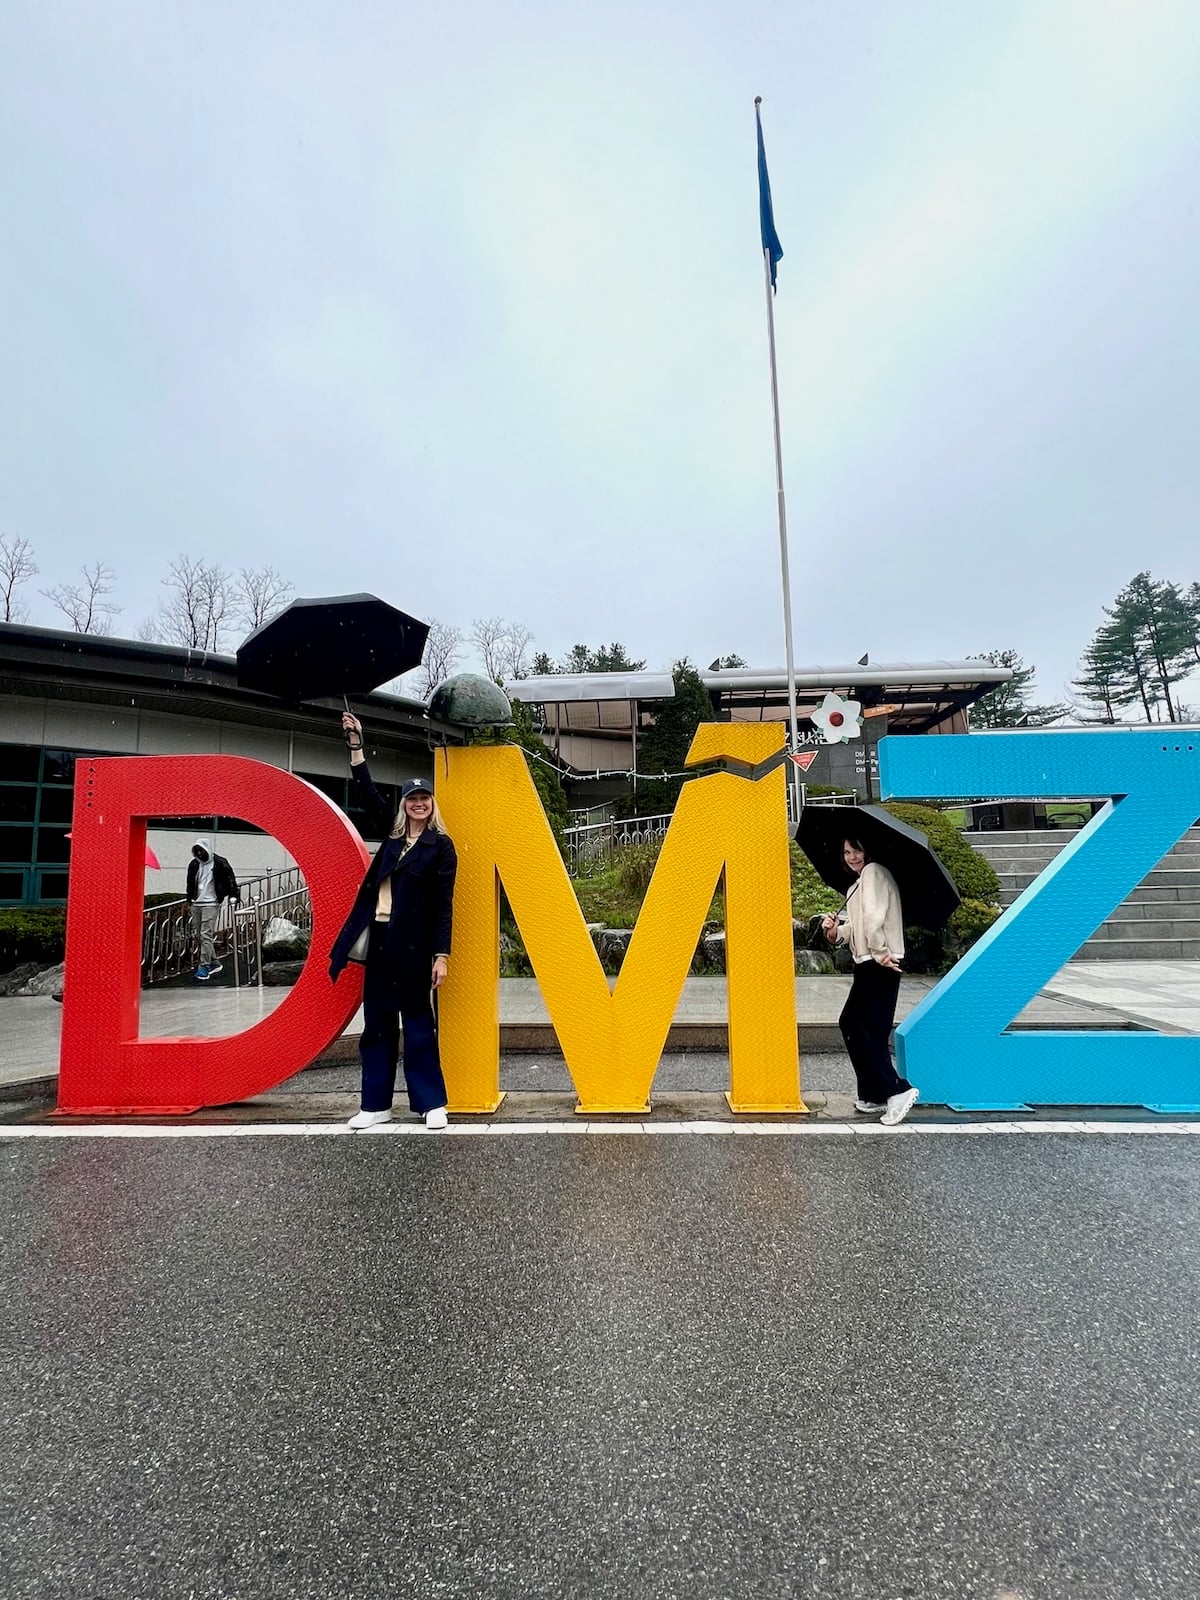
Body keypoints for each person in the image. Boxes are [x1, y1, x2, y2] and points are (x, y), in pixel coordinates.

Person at [329, 712, 456, 1131]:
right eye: (412, 798)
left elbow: (443, 905)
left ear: (432, 804)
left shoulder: (441, 847)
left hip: (416, 947)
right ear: (404, 804)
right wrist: (356, 745)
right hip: (381, 940)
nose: (418, 803)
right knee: (378, 1024)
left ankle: (430, 1103)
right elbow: (366, 793)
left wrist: (442, 955)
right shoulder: (392, 838)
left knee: (419, 1024)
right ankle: (375, 1104)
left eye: (424, 798)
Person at [822, 838, 919, 1127]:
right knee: (868, 1029)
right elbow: (860, 928)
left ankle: (897, 1090)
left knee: (855, 1024)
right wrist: (835, 933)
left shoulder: (874, 871)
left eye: (857, 850)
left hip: (880, 962)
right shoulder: (856, 886)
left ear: (869, 850)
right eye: (847, 852)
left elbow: (875, 920)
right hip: (869, 962)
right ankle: (873, 1093)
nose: (852, 857)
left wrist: (880, 954)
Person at [185, 837, 239, 982]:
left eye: (201, 850)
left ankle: (204, 967)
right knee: (201, 936)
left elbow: (231, 880)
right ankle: (214, 962)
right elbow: (190, 881)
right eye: (197, 851)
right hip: (196, 903)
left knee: (205, 934)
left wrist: (233, 896)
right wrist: (189, 899)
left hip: (212, 903)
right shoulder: (194, 864)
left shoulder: (220, 862)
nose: (199, 853)